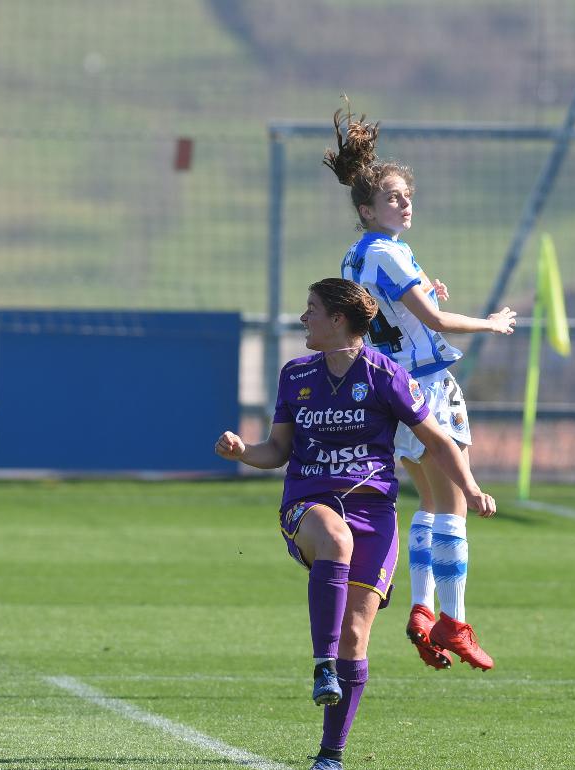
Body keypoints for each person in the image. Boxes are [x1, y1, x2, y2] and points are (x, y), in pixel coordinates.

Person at [214, 278, 496, 770]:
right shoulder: (296, 374)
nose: (304, 319)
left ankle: (331, 754)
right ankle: (323, 666)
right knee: (335, 540)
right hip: (310, 504)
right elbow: (277, 451)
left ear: (338, 320)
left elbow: (437, 440)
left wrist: (470, 489)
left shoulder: (386, 376)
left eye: (311, 310)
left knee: (356, 636)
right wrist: (245, 452)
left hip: (374, 513)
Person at [324, 107, 515, 672]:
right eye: (392, 198)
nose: (404, 204)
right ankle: (452, 620)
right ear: (366, 209)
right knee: (454, 502)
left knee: (430, 502)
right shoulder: (386, 251)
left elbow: (382, 307)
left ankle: (423, 611)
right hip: (425, 383)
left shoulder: (357, 255)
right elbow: (432, 322)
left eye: (407, 195)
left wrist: (424, 288)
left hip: (388, 388)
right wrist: (491, 322)